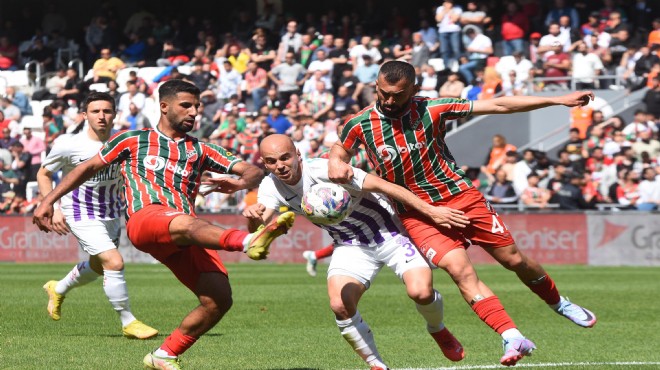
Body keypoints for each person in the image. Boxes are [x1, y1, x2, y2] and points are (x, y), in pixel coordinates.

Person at [329, 60, 598, 366]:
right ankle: (512, 336)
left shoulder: (434, 109)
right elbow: (341, 148)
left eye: (398, 95)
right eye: (384, 93)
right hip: (418, 213)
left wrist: (556, 100)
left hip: (462, 198)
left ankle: (558, 302)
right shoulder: (359, 124)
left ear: (414, 90)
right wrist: (336, 161)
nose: (390, 101)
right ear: (377, 87)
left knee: (514, 260)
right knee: (459, 271)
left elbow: (499, 105)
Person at [33, 80, 296, 370]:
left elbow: (253, 170)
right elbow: (86, 168)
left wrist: (238, 183)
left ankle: (164, 354)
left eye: (196, 106)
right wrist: (48, 202)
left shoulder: (202, 150)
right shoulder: (132, 140)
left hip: (183, 234)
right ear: (164, 106)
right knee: (183, 223)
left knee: (219, 298)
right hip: (146, 220)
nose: (194, 112)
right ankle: (247, 242)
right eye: (186, 105)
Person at [243, 134, 467, 369]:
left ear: (298, 154)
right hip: (350, 244)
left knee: (420, 292)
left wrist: (429, 211)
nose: (280, 166)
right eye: (271, 161)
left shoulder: (324, 170)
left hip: (390, 233)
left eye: (285, 158)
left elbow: (383, 185)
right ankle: (376, 364)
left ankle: (437, 328)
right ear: (265, 164)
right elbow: (260, 225)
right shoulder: (270, 185)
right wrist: (254, 217)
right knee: (340, 304)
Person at [37, 92, 157, 339]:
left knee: (99, 266)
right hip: (79, 212)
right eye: (95, 111)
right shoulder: (68, 144)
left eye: (107, 111)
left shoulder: (122, 142)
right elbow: (44, 174)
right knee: (114, 262)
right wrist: (54, 206)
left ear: (115, 114)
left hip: (112, 212)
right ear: (85, 115)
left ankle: (57, 289)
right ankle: (128, 322)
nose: (101, 116)